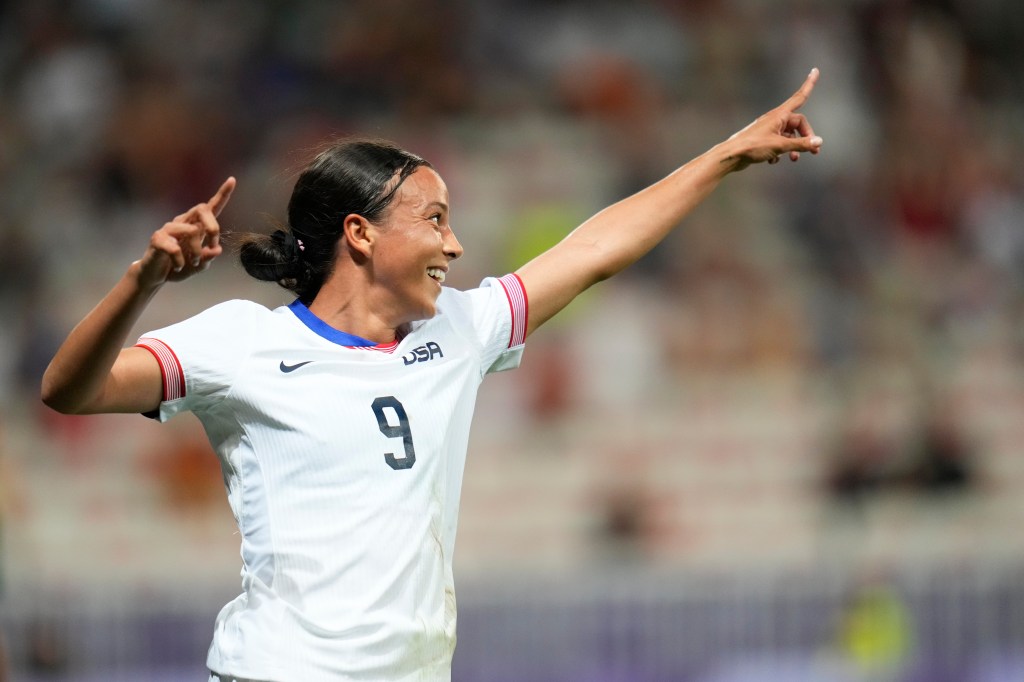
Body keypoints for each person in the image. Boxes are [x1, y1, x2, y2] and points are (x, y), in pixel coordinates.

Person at [41, 69, 824, 682]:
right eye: (435, 219)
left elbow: (592, 252)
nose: (455, 245)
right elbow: (71, 390)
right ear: (360, 233)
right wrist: (143, 280)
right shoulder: (241, 344)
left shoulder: (456, 332)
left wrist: (725, 157)